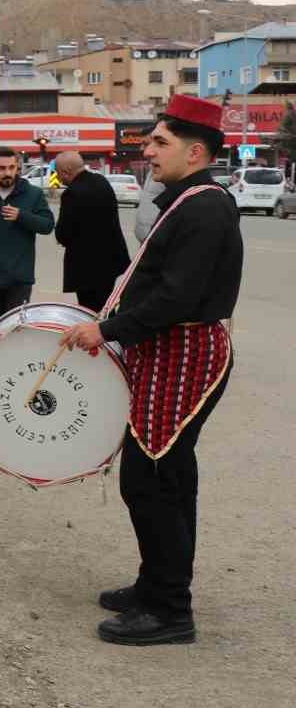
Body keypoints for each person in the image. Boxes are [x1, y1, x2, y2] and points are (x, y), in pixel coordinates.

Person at [59, 95, 242, 646]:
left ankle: (169, 610)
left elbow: (176, 297)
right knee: (167, 477)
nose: (149, 150)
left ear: (195, 151)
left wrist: (107, 330)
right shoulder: (187, 200)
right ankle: (157, 584)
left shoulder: (205, 208)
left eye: (161, 142)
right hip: (167, 350)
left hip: (184, 353)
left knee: (152, 478)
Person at [0, 146, 55, 344]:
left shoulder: (32, 194)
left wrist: (21, 216)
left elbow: (48, 225)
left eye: (11, 168)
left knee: (14, 334)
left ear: (18, 167)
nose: (7, 173)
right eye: (1, 168)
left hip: (19, 278)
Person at [53, 151, 130, 312]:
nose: (57, 177)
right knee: (106, 307)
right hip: (111, 261)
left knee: (90, 311)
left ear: (66, 172)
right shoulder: (101, 181)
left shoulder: (71, 193)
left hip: (86, 268)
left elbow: (63, 234)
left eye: (58, 172)